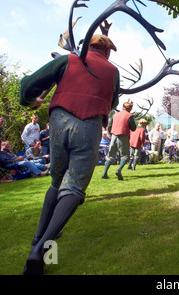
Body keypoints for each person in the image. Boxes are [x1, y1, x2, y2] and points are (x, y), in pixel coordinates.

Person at [19, 34, 120, 275]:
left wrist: (30, 100)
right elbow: (113, 101)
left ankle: (38, 242)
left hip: (59, 121)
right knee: (73, 187)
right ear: (107, 50)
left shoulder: (69, 60)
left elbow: (29, 83)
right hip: (89, 126)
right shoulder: (113, 71)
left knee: (56, 180)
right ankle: (40, 250)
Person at [102, 102, 136, 180]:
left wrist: (110, 134)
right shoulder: (129, 116)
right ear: (129, 108)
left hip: (114, 135)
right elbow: (133, 128)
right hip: (123, 136)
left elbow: (109, 125)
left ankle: (104, 173)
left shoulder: (115, 114)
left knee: (110, 155)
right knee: (125, 156)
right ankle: (119, 170)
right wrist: (133, 119)